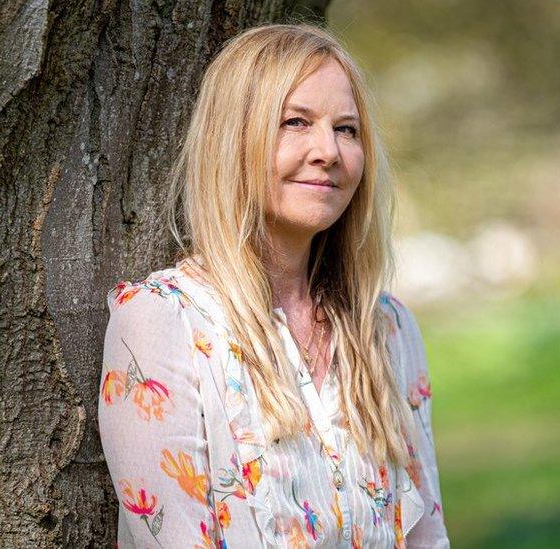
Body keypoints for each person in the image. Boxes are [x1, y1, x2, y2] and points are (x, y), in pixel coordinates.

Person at [97, 23, 450, 548]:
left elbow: (427, 537)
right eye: (295, 122)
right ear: (231, 140)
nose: (328, 151)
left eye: (347, 129)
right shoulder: (163, 322)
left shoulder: (388, 329)